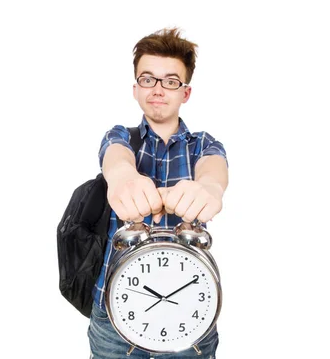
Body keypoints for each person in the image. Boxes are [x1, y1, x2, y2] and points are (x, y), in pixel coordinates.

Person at [88, 28, 228, 358]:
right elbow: (116, 160)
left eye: (170, 81)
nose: (158, 89)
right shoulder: (120, 136)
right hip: (113, 317)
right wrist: (123, 178)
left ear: (186, 92)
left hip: (190, 314)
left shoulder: (203, 145)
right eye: (148, 79)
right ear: (136, 88)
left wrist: (208, 189)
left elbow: (214, 171)